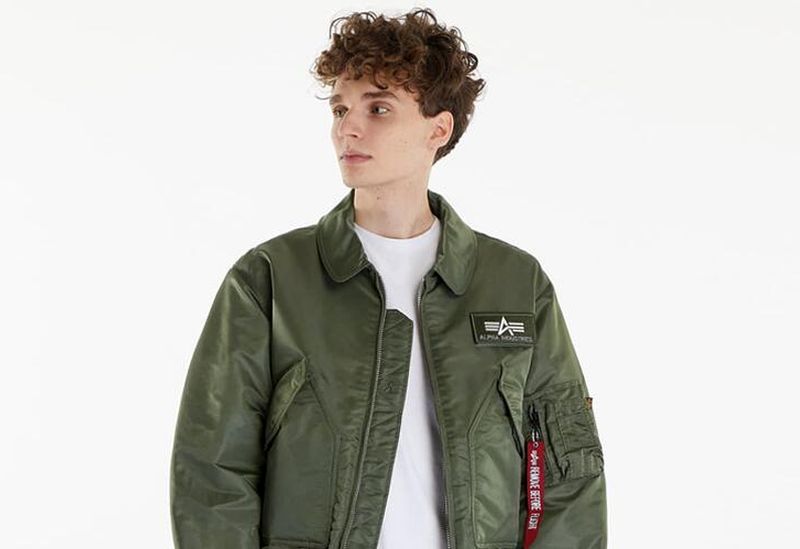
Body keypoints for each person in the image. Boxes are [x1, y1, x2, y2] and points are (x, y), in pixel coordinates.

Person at [169, 7, 607, 549]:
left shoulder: (517, 284)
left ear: (438, 129)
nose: (347, 128)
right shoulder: (271, 279)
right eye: (340, 108)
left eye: (378, 108)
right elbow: (212, 472)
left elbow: (566, 473)